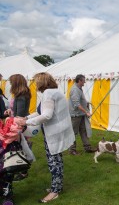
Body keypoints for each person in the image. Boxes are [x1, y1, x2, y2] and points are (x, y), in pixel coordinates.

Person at [15, 72, 75, 203]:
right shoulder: (53, 92)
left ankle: (55, 191)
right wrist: (26, 117)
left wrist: (25, 122)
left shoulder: (48, 93)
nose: (35, 84)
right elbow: (40, 112)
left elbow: (46, 115)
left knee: (54, 162)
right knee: (56, 160)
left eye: (36, 81)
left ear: (41, 82)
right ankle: (57, 186)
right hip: (57, 132)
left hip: (54, 134)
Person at [5, 74, 32, 182]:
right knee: (22, 147)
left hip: (19, 124)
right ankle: (21, 168)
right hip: (19, 123)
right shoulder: (21, 94)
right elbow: (16, 111)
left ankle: (23, 170)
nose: (10, 84)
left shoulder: (21, 96)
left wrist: (9, 120)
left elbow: (19, 114)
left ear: (16, 83)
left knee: (21, 147)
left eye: (11, 82)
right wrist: (9, 111)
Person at [68, 74, 95, 155]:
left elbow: (79, 101)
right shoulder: (75, 89)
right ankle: (72, 150)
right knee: (73, 133)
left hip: (80, 114)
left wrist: (86, 102)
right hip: (76, 115)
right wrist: (86, 111)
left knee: (83, 131)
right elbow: (76, 103)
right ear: (79, 81)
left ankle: (87, 148)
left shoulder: (79, 88)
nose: (84, 82)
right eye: (83, 81)